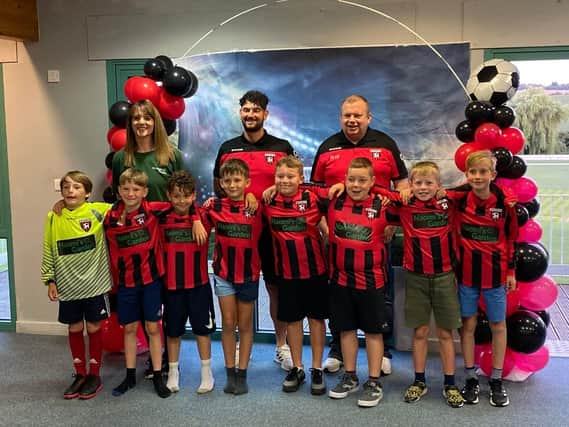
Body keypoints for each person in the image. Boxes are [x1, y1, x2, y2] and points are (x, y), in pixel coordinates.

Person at [311, 94, 408, 374]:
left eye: (357, 115)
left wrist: (392, 223)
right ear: (341, 117)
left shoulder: (386, 144)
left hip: (377, 236)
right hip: (338, 238)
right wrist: (325, 227)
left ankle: (384, 350)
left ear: (368, 117)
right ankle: (337, 350)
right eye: (347, 116)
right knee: (338, 294)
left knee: (382, 294)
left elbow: (402, 185)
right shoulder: (327, 147)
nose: (352, 120)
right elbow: (316, 192)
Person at [213, 90, 295, 371]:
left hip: (272, 231)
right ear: (240, 113)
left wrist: (266, 193)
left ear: (265, 114)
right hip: (237, 233)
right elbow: (219, 187)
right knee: (235, 290)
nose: (251, 115)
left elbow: (293, 181)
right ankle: (236, 345)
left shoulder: (282, 146)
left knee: (275, 289)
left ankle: (281, 346)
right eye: (246, 110)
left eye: (256, 110)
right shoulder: (227, 149)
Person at [378, 161, 464, 408]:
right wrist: (399, 192)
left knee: (446, 333)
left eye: (429, 183)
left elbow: (473, 187)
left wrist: (448, 192)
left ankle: (450, 383)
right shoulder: (405, 204)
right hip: (415, 276)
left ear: (439, 185)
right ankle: (419, 381)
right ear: (411, 185)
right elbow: (377, 191)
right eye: (418, 183)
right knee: (420, 332)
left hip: (445, 276)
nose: (423, 187)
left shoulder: (448, 204)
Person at [111, 99, 185, 378]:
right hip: (135, 242)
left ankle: (167, 357)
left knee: (165, 297)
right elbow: (118, 198)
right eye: (136, 118)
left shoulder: (171, 155)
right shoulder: (122, 158)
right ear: (130, 124)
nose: (141, 123)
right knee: (140, 297)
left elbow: (182, 195)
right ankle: (148, 355)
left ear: (155, 121)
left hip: (167, 238)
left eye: (147, 118)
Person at [327, 158, 394, 408]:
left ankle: (374, 381)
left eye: (362, 180)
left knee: (373, 331)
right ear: (345, 179)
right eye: (351, 179)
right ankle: (350, 375)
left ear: (372, 182)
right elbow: (304, 189)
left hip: (372, 281)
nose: (356, 185)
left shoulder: (383, 204)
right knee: (346, 329)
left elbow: (407, 200)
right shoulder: (334, 199)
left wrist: (381, 194)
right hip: (340, 279)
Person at [454, 151, 518, 407]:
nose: (478, 177)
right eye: (473, 172)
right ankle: (470, 377)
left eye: (483, 172)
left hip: (495, 276)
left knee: (498, 326)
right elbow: (432, 192)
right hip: (467, 276)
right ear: (467, 174)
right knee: (467, 326)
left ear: (493, 175)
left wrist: (511, 271)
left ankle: (496, 379)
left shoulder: (505, 203)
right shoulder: (458, 198)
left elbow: (511, 238)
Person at [41, 171, 113, 400]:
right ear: (61, 193)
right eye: (66, 187)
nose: (71, 191)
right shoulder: (54, 216)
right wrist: (50, 279)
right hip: (68, 286)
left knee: (93, 328)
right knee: (74, 328)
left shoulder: (98, 211)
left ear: (88, 192)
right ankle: (80, 373)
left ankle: (94, 374)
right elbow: (48, 248)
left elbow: (127, 208)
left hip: (94, 284)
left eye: (77, 187)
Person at [262, 156, 329, 395]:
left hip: (316, 271)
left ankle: (317, 368)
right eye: (280, 176)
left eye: (290, 176)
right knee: (292, 321)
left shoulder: (313, 197)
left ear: (301, 178)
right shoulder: (267, 201)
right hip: (286, 274)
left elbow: (339, 191)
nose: (285, 180)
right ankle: (298, 367)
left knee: (317, 319)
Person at [104, 168, 170, 398]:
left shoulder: (153, 211)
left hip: (151, 281)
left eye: (136, 189)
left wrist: (194, 219)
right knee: (130, 328)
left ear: (145, 191)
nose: (130, 193)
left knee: (153, 327)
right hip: (126, 284)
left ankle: (158, 374)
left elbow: (184, 204)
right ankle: (130, 375)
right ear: (119, 190)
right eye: (126, 189)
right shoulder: (110, 217)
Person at [204, 159, 263, 395]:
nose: (232, 184)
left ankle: (242, 373)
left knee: (245, 325)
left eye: (237, 180)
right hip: (224, 274)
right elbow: (194, 217)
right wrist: (200, 216)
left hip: (249, 274)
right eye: (227, 181)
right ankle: (230, 373)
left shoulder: (257, 207)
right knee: (229, 324)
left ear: (247, 182)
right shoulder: (214, 207)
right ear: (221, 184)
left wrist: (255, 197)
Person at [159, 171, 215, 394]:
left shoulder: (205, 215)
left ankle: (206, 373)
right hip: (172, 287)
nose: (181, 200)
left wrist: (196, 217)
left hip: (198, 285)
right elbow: (136, 202)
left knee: (202, 331)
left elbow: (226, 202)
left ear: (193, 195)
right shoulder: (161, 216)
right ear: (168, 196)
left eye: (186, 196)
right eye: (176, 196)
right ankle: (173, 372)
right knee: (173, 332)